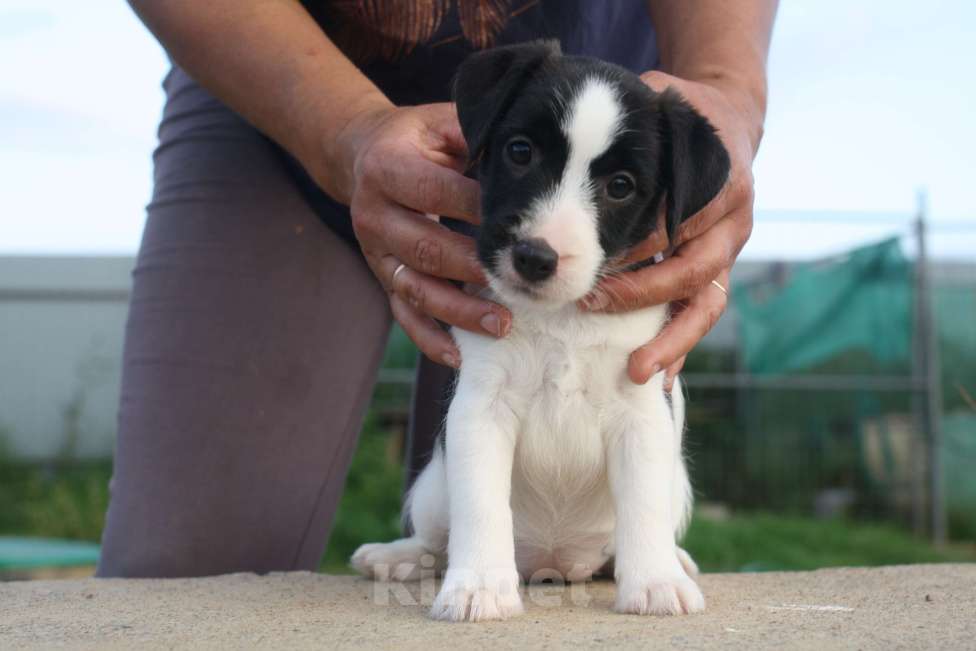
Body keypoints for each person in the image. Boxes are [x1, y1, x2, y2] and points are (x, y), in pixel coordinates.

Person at [97, 0, 777, 578]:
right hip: (264, 71)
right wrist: (343, 130)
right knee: (184, 564)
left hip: (588, 65)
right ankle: (446, 548)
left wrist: (726, 86)